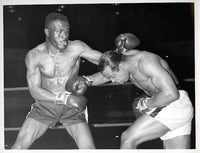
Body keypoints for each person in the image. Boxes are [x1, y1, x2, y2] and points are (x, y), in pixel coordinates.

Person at [11, 12, 108, 149]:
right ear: (47, 32)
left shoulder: (77, 47)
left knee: (89, 149)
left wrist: (89, 79)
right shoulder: (35, 55)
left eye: (67, 31)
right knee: (18, 147)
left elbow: (109, 65)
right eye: (59, 32)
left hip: (72, 107)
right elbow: (34, 90)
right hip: (45, 106)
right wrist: (62, 99)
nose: (64, 36)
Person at [97, 37, 194, 149]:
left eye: (112, 77)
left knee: (127, 138)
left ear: (121, 66)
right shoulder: (124, 60)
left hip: (173, 103)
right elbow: (108, 67)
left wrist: (147, 104)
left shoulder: (146, 62)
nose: (113, 81)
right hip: (176, 107)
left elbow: (171, 94)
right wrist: (88, 80)